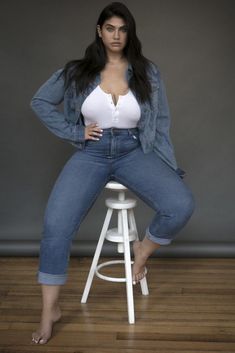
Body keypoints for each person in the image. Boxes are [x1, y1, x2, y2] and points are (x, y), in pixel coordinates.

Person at [30, 1, 195, 344]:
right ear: (99, 31)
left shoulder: (148, 73)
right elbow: (40, 101)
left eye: (122, 29)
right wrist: (75, 133)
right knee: (55, 225)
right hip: (91, 152)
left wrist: (168, 164)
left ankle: (141, 252)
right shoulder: (78, 71)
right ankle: (50, 310)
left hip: (134, 151)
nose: (116, 35)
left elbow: (160, 124)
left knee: (180, 204)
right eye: (110, 29)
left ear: (129, 32)